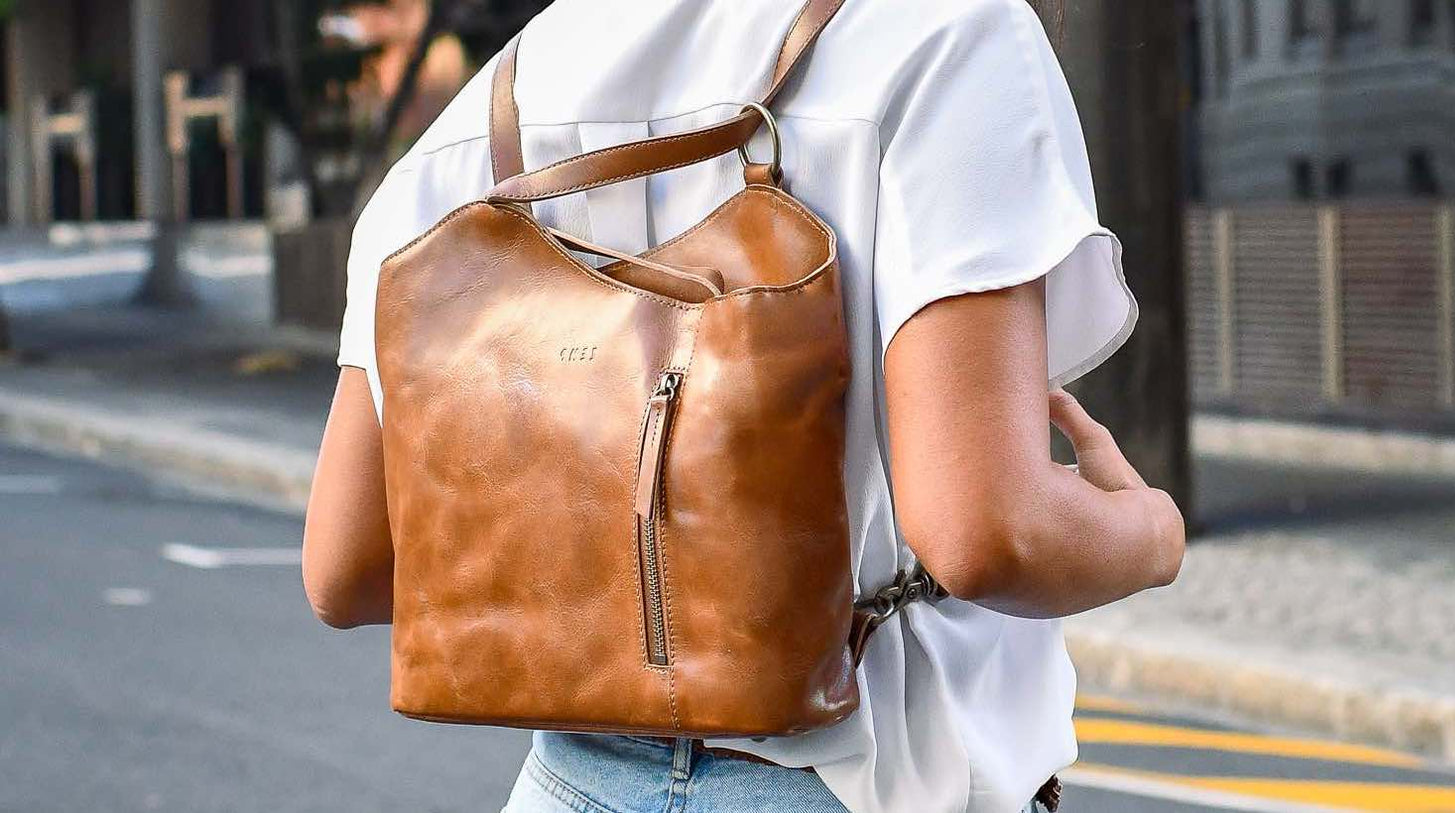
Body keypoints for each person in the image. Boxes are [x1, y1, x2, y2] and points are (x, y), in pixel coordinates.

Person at [300, 1, 1186, 811]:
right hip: (862, 780)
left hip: (569, 784)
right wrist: (1150, 533)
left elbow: (345, 569)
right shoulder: (947, 35)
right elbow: (987, 532)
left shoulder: (478, 120)